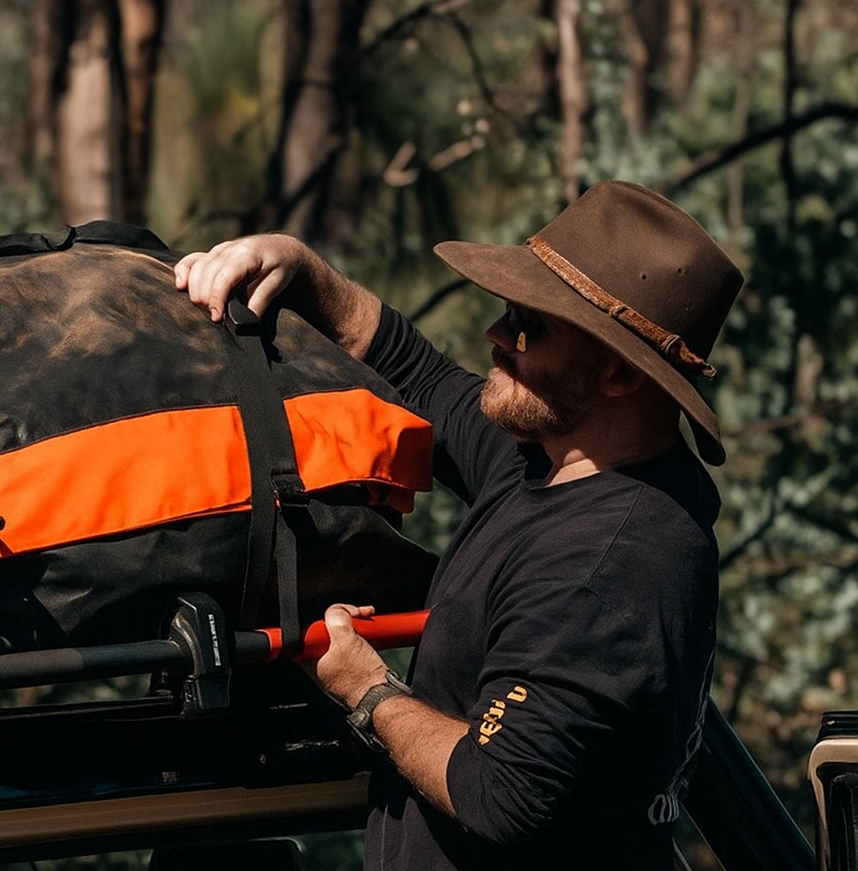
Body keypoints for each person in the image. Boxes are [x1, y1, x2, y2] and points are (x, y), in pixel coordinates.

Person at [173, 180, 744, 869]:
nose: (497, 335)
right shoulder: (553, 459)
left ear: (619, 375)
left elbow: (506, 792)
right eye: (507, 310)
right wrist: (299, 267)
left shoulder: (610, 564)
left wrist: (369, 687)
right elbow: (417, 373)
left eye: (531, 326)